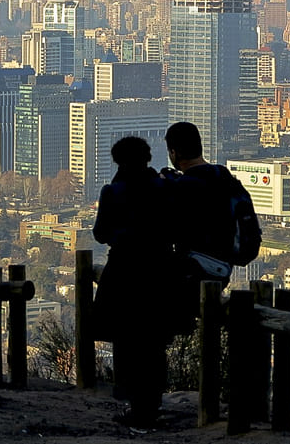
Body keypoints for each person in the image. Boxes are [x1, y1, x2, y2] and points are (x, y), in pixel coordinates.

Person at [92, 135, 173, 429]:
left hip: (124, 272)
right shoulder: (164, 188)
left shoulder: (113, 192)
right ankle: (152, 403)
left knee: (126, 340)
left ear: (117, 161)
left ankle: (134, 404)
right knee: (154, 341)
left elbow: (100, 233)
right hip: (160, 272)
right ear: (148, 158)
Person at [163, 121, 261, 314]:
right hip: (223, 272)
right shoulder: (228, 180)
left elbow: (166, 233)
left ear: (173, 153)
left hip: (192, 272)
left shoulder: (182, 188)